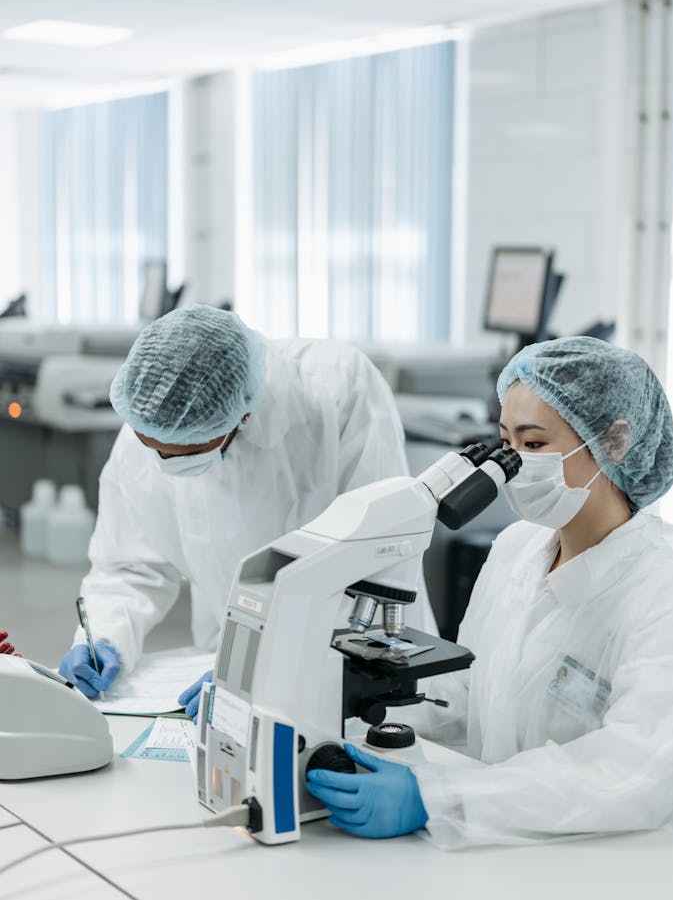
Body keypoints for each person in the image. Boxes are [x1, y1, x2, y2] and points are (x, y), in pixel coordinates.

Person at [307, 336, 673, 848]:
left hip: (619, 856)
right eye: (506, 443)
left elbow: (634, 769)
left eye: (533, 445)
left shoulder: (667, 590)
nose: (514, 464)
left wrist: (443, 800)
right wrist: (320, 700)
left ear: (615, 441)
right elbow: (467, 692)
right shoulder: (516, 547)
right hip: (507, 841)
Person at [58, 305, 434, 712]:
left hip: (355, 655)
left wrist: (269, 666)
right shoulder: (152, 415)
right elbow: (129, 566)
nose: (164, 462)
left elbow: (377, 560)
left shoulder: (337, 391)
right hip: (224, 653)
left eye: (192, 451)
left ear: (245, 413)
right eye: (152, 447)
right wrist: (104, 637)